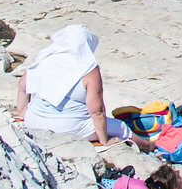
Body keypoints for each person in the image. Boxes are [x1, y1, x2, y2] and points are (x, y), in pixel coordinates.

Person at [14, 26, 153, 148]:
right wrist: (104, 140)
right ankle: (149, 146)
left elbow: (23, 85)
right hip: (67, 128)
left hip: (33, 120)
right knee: (121, 127)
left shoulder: (45, 58)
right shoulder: (88, 70)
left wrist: (23, 113)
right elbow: (97, 112)